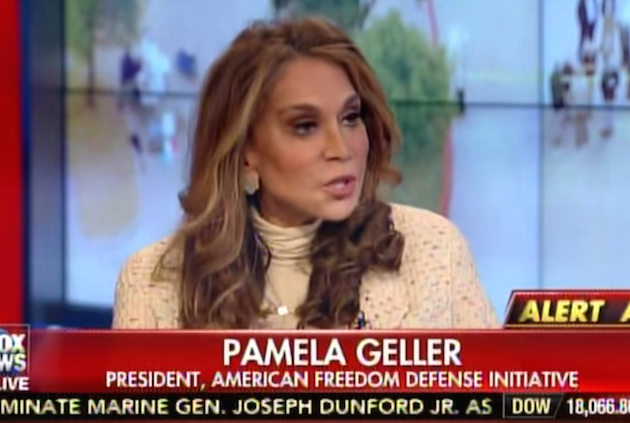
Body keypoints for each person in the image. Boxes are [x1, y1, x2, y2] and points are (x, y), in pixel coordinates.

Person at [112, 18, 498, 330]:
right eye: (305, 126)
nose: (341, 149)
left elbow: (504, 392)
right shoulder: (152, 285)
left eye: (350, 117)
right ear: (245, 155)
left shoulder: (433, 252)